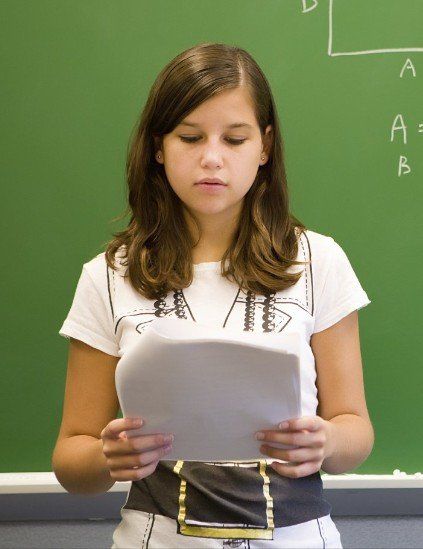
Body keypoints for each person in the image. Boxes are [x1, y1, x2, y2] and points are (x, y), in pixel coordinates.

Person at [52, 42, 374, 548]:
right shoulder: (109, 275)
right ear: (158, 147)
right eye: (190, 137)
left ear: (264, 147)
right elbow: (72, 458)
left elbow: (355, 430)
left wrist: (328, 441)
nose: (211, 158)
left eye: (235, 138)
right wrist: (104, 457)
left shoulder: (317, 261)